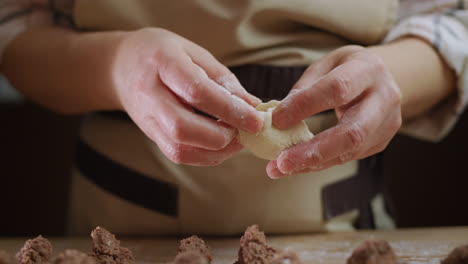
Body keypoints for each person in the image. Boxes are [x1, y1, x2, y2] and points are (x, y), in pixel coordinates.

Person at [0, 0, 466, 235]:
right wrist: (113, 64)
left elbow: (453, 18)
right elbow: (16, 27)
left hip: (342, 228)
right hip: (123, 226)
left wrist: (393, 79)